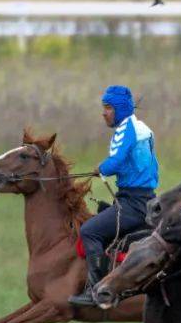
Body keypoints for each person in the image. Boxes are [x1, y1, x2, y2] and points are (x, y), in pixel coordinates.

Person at [68, 85, 159, 307]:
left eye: (108, 108)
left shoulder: (126, 129)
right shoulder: (142, 128)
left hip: (134, 202)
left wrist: (102, 167)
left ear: (119, 109)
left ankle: (97, 291)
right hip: (142, 196)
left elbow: (116, 162)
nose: (104, 113)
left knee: (89, 231)